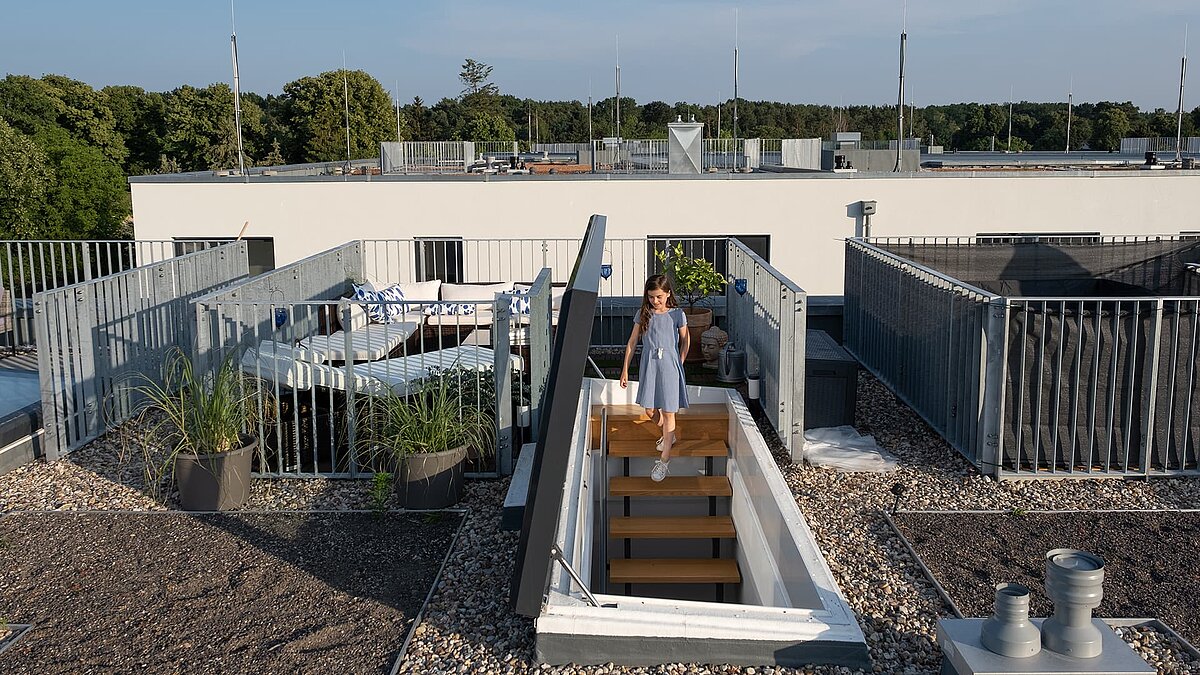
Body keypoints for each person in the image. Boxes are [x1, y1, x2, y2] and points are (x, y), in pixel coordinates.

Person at [620, 274, 690, 482]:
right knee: (649, 409)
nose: (655, 301)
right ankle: (670, 436)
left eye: (659, 296)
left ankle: (664, 460)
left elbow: (686, 340)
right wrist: (624, 369)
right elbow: (632, 342)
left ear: (668, 294)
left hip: (670, 366)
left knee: (669, 413)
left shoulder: (677, 314)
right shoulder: (643, 314)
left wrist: (680, 362)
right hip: (649, 366)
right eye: (651, 297)